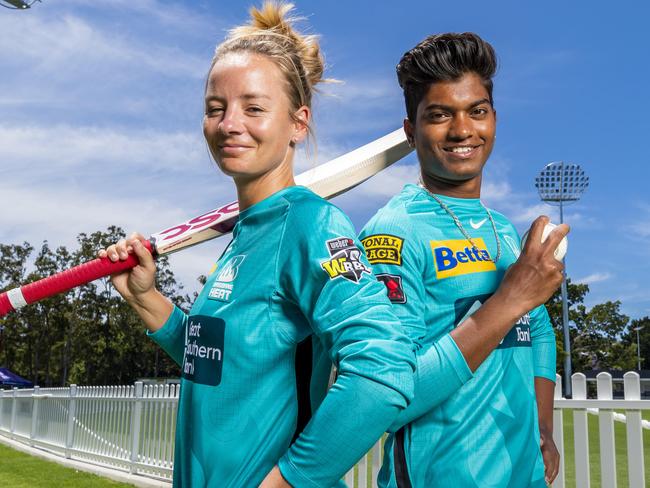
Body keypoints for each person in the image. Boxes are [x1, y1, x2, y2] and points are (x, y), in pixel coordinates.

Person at [99, 3, 416, 486]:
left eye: (253, 108)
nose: (229, 124)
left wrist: (289, 480)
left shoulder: (311, 225)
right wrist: (146, 297)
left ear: (297, 123)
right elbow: (224, 364)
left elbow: (383, 368)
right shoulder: (247, 232)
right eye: (215, 108)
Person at [359, 33, 567, 487]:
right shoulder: (392, 232)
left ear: (493, 118)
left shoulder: (502, 229)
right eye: (439, 115)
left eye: (477, 111)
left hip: (522, 474)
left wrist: (543, 428)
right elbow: (391, 394)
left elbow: (541, 331)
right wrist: (507, 300)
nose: (462, 130)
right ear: (411, 132)